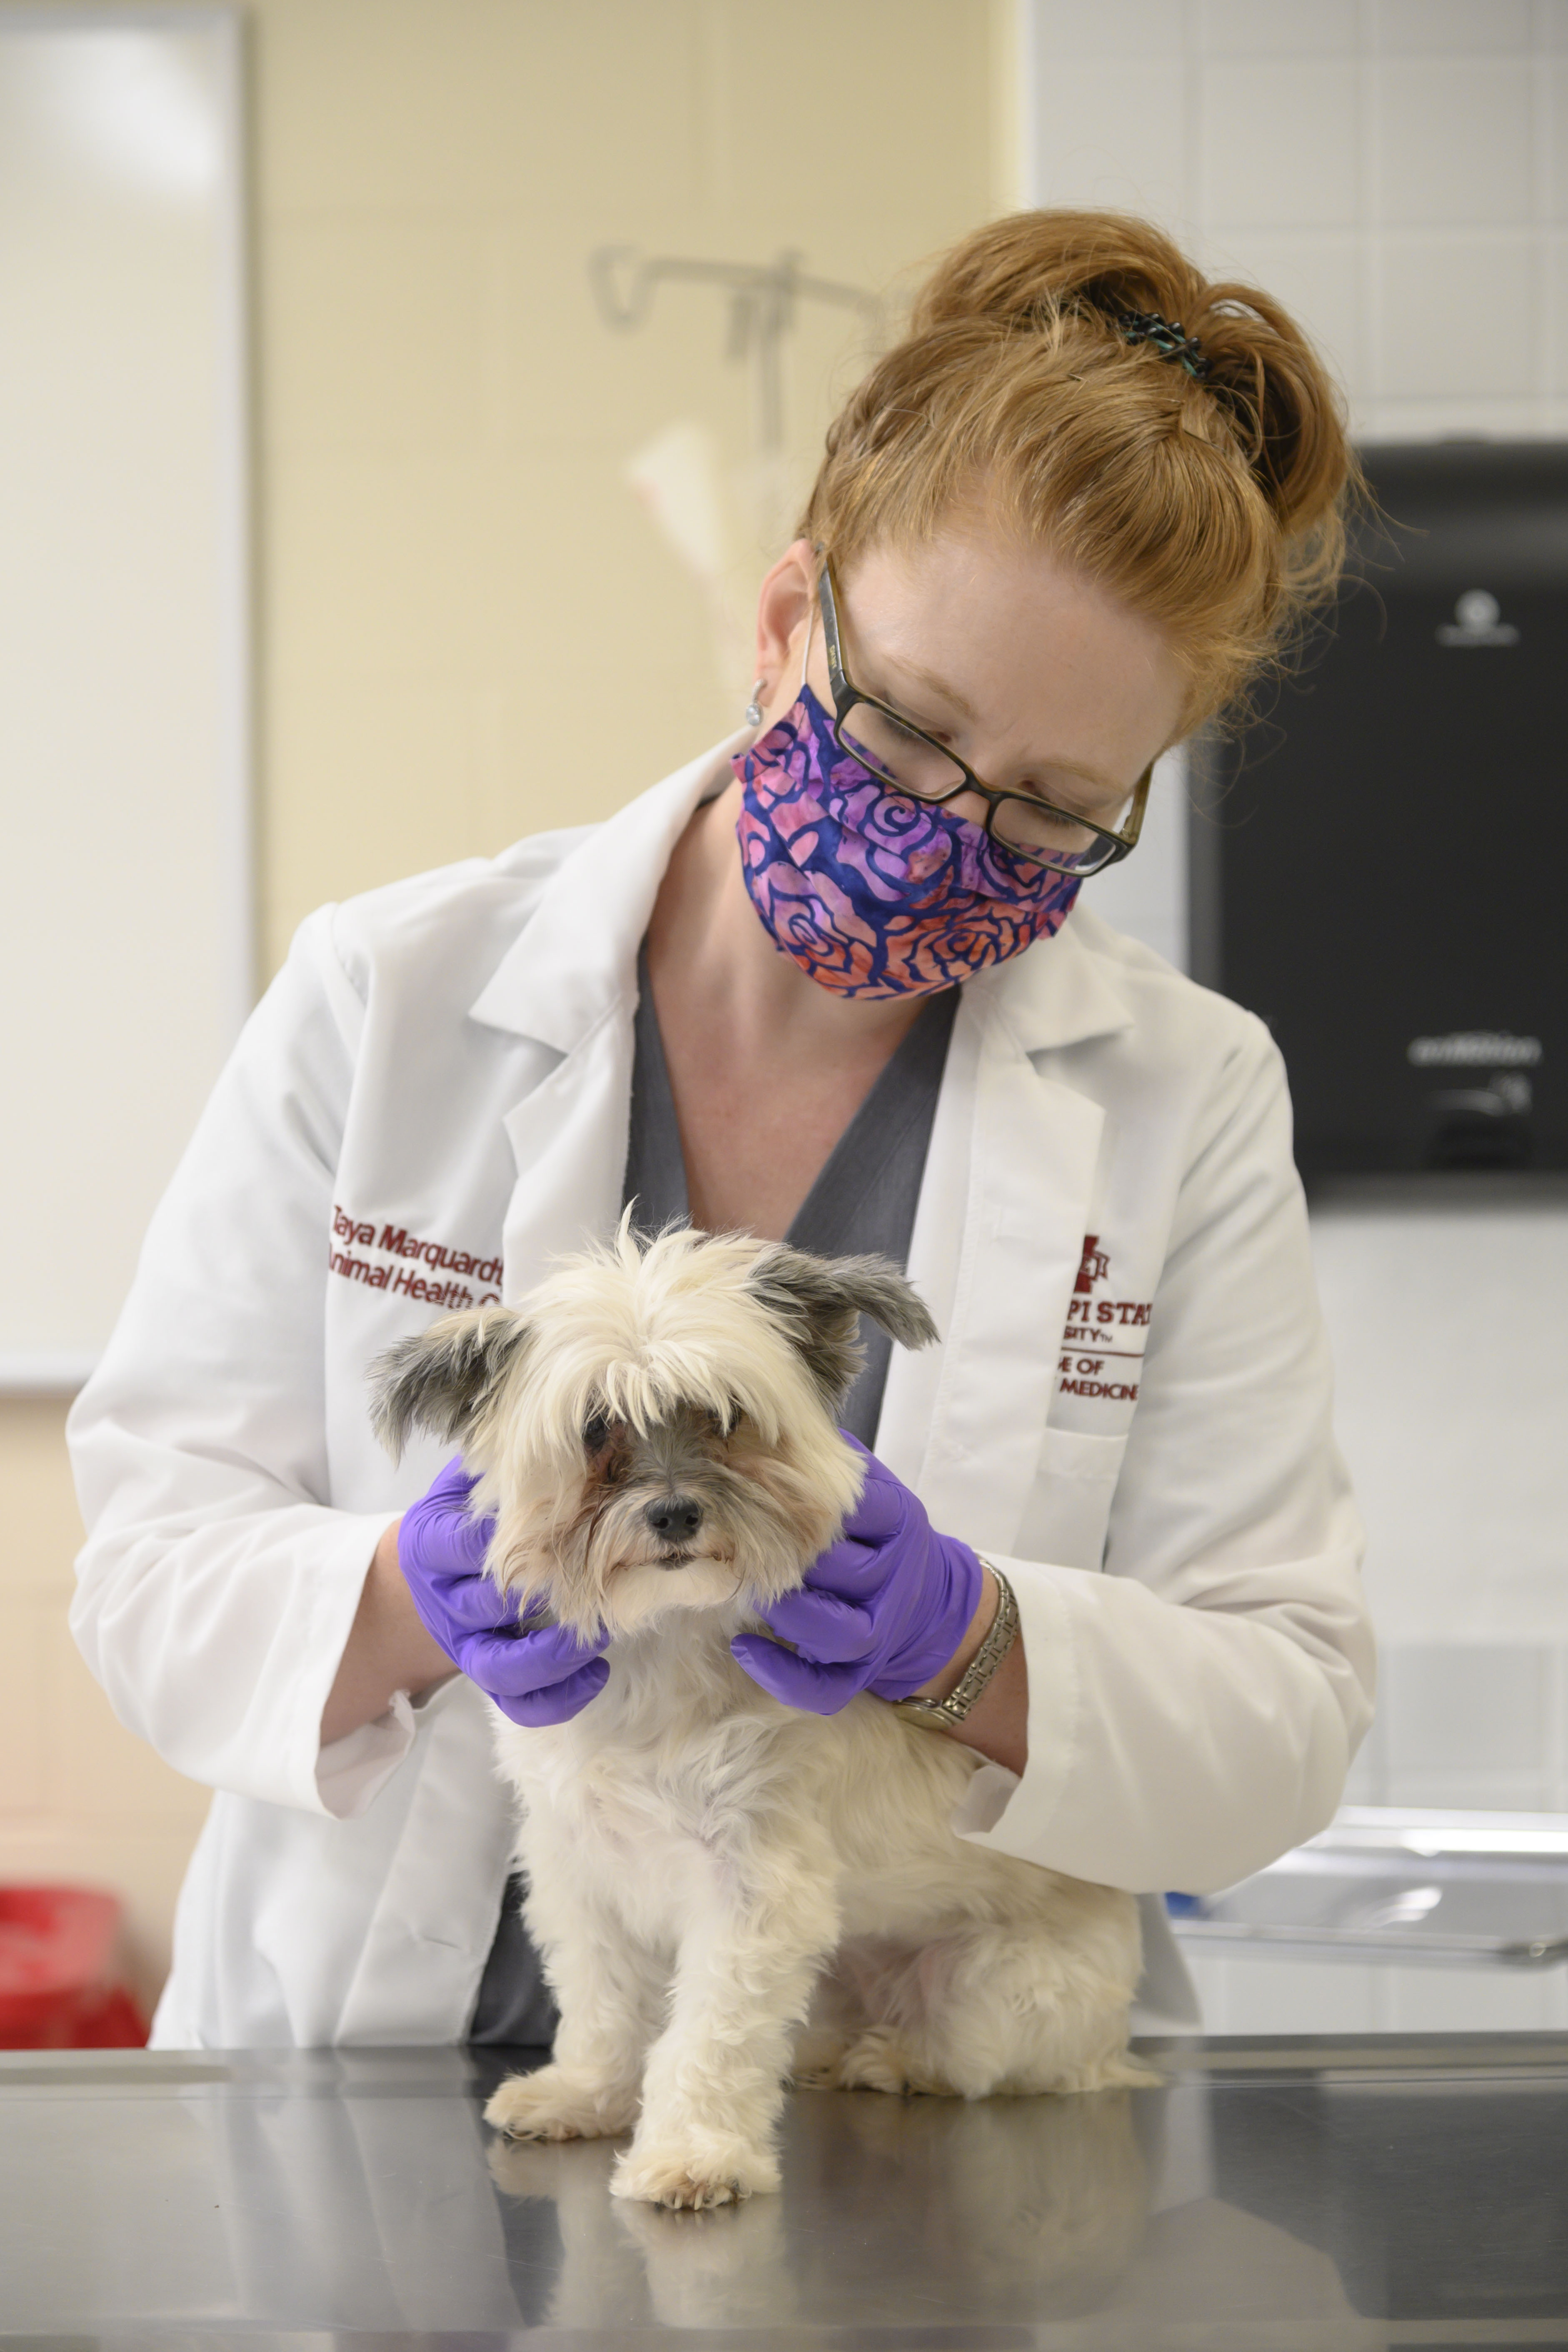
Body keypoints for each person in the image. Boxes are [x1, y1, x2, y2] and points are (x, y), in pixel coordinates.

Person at [68, 210, 1374, 2050]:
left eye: (1051, 811)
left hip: (907, 2096)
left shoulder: (1180, 1091)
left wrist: (969, 1642)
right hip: (371, 2072)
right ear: (785, 623)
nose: (945, 829)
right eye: (909, 729)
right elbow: (147, 1571)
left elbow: (1284, 1713)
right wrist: (404, 1593)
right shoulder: (392, 995)